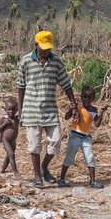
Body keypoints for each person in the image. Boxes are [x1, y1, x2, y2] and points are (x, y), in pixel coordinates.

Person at [17, 30, 79, 189]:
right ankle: (37, 176)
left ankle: (45, 167)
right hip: (31, 109)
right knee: (35, 145)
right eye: (43, 47)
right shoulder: (25, 61)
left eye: (48, 48)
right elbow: (21, 86)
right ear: (36, 44)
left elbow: (66, 84)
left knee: (56, 141)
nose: (46, 50)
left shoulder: (56, 63)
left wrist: (73, 104)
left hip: (50, 109)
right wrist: (20, 110)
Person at [57, 86, 108, 189]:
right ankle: (61, 179)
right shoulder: (77, 107)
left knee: (90, 158)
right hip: (74, 136)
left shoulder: (93, 110)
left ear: (93, 98)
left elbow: (97, 124)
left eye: (89, 97)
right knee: (69, 157)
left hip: (86, 138)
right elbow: (66, 117)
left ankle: (93, 181)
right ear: (81, 97)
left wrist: (102, 112)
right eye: (85, 97)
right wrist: (71, 109)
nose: (87, 100)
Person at [0, 97, 21, 177]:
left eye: (13, 110)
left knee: (8, 156)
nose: (11, 112)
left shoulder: (17, 119)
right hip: (6, 140)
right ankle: (16, 172)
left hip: (13, 141)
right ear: (5, 109)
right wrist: (4, 124)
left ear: (17, 110)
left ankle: (2, 169)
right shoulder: (4, 119)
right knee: (11, 154)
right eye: (9, 109)